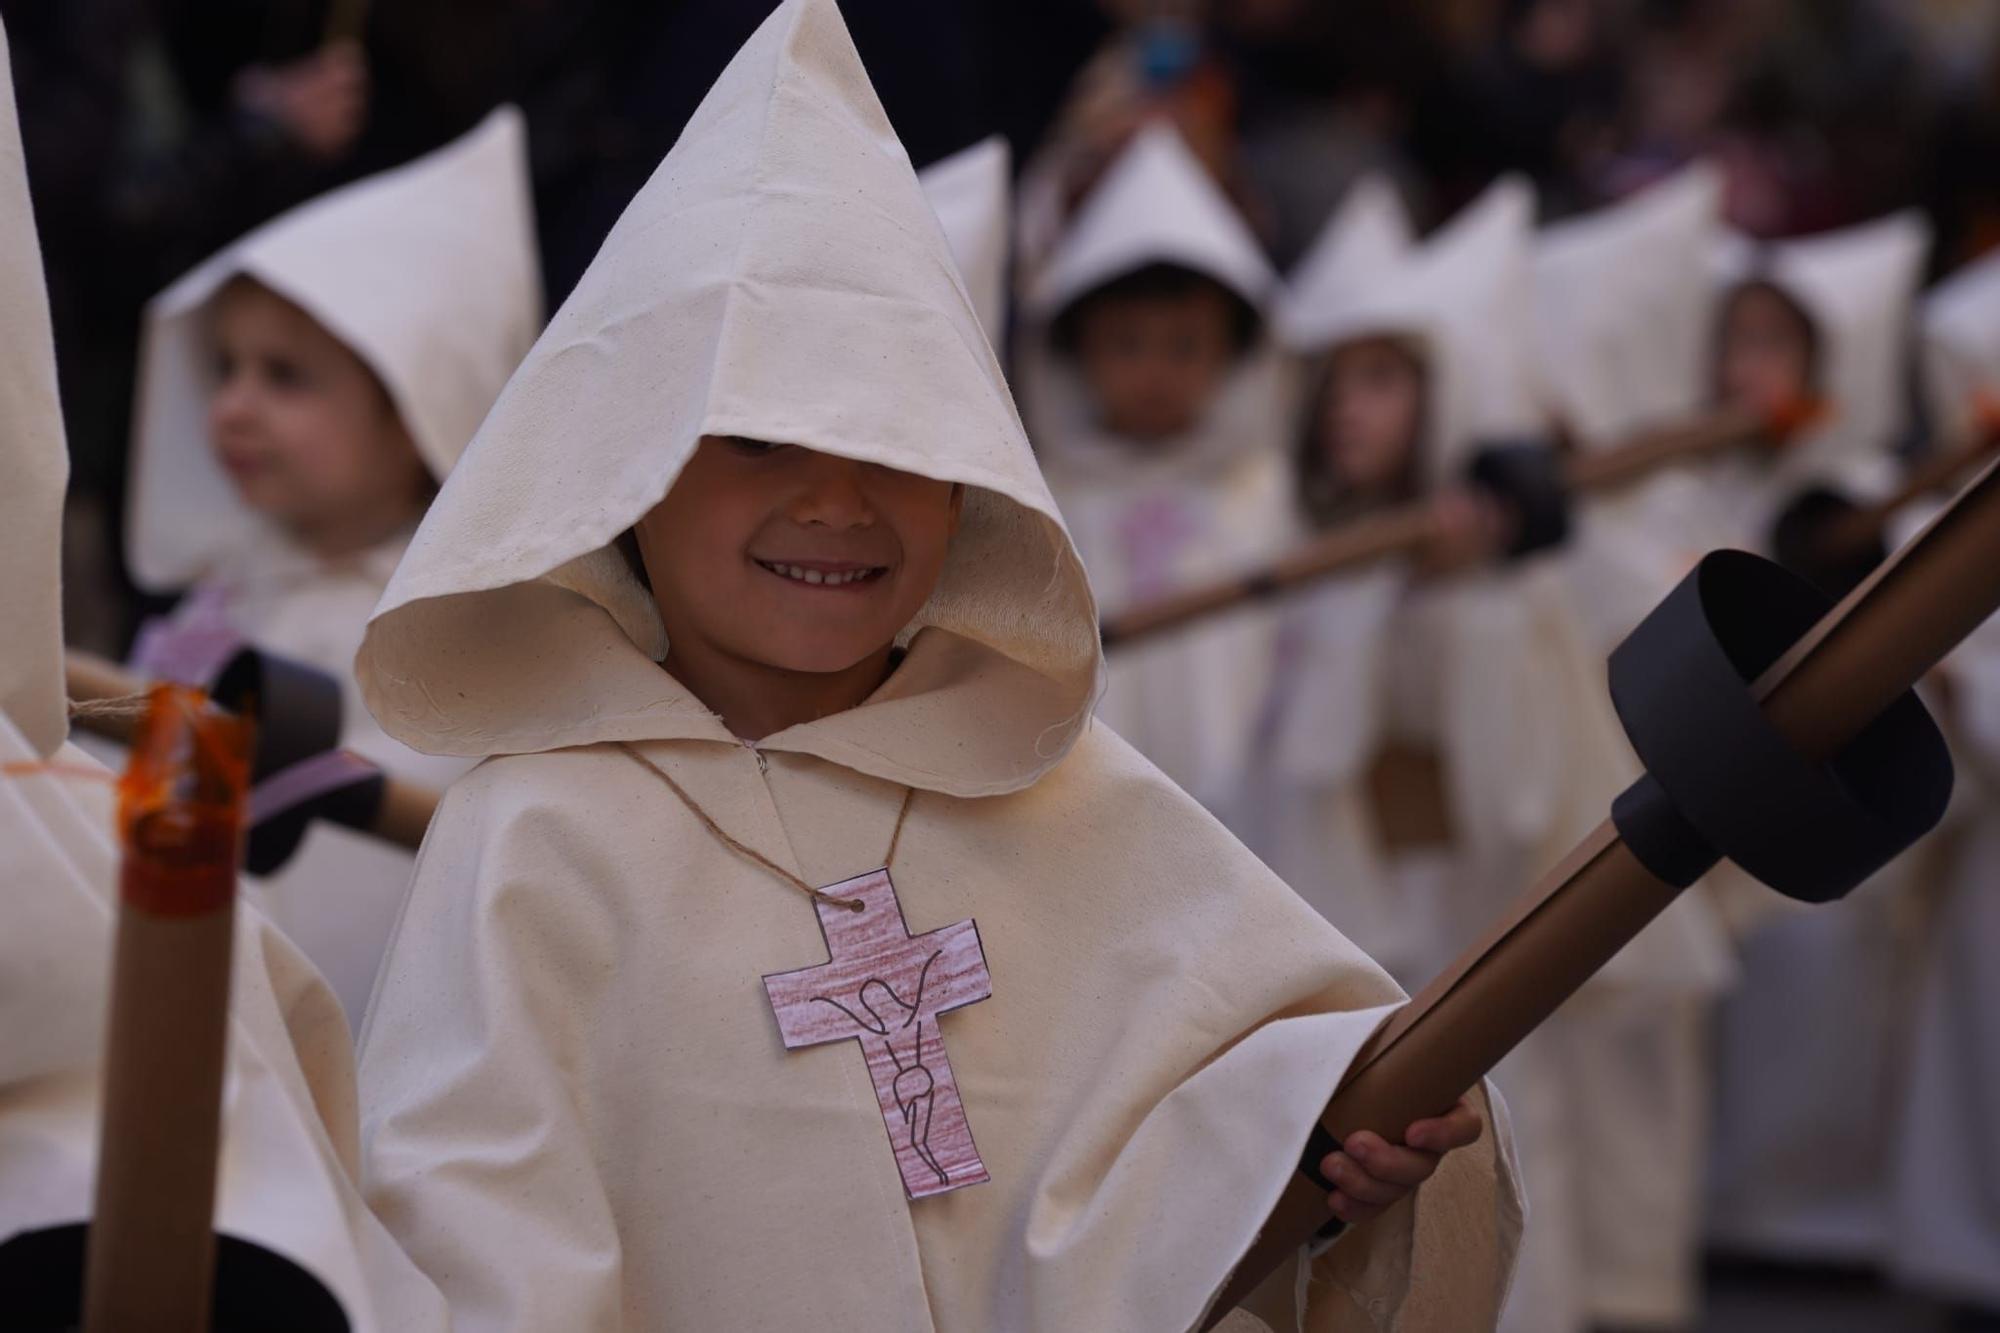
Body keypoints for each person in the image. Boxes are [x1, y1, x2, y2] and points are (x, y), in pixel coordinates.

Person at [350, 3, 1520, 1327]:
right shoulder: (531, 837)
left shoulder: (1061, 795)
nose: (837, 505)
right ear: (628, 467)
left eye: (896, 451)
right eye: (759, 443)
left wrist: (1323, 1139)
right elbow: (472, 1238)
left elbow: (1236, 1106)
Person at [111, 107, 543, 1026]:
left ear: (418, 409)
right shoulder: (219, 598)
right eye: (226, 367)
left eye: (286, 377)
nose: (231, 407)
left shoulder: (460, 636)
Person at [1699, 211, 1940, 1274]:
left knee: (1824, 997)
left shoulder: (1868, 495)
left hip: (1834, 795)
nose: (1747, 370)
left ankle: (1822, 1214)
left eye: (1774, 345)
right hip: (1716, 784)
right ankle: (1726, 1209)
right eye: (1734, 341)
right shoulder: (1695, 485)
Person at [1016, 121, 1296, 818]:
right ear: (1080, 352)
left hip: (1241, 785)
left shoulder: (1259, 485)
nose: (1155, 372)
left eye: (1184, 347)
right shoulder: (1054, 488)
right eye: (1127, 344)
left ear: (1228, 355)